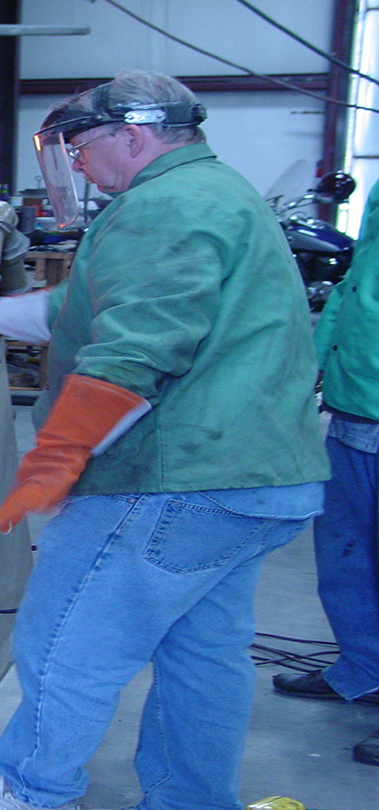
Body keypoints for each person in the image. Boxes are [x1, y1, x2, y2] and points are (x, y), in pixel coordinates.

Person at [0, 69, 331, 810]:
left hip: (175, 479)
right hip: (258, 481)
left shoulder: (162, 207)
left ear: (130, 137)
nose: (76, 163)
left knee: (67, 639)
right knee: (201, 654)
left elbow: (138, 350)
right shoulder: (216, 193)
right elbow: (88, 306)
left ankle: (27, 788)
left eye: (81, 147)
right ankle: (193, 801)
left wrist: (57, 455)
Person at [271, 178, 379, 767]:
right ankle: (364, 671)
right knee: (347, 558)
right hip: (355, 403)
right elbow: (357, 286)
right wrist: (316, 365)